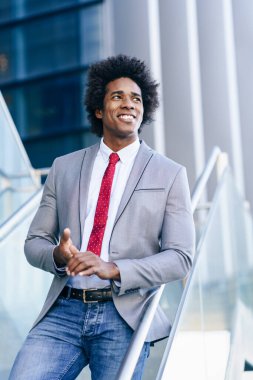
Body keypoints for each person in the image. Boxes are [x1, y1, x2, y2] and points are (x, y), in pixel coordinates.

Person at [9, 55, 195, 380]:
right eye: (117, 96)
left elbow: (181, 258)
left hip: (124, 315)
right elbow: (33, 242)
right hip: (63, 310)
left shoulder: (170, 174)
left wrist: (116, 269)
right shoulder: (64, 168)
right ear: (98, 109)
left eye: (136, 98)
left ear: (143, 109)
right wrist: (57, 254)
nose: (128, 104)